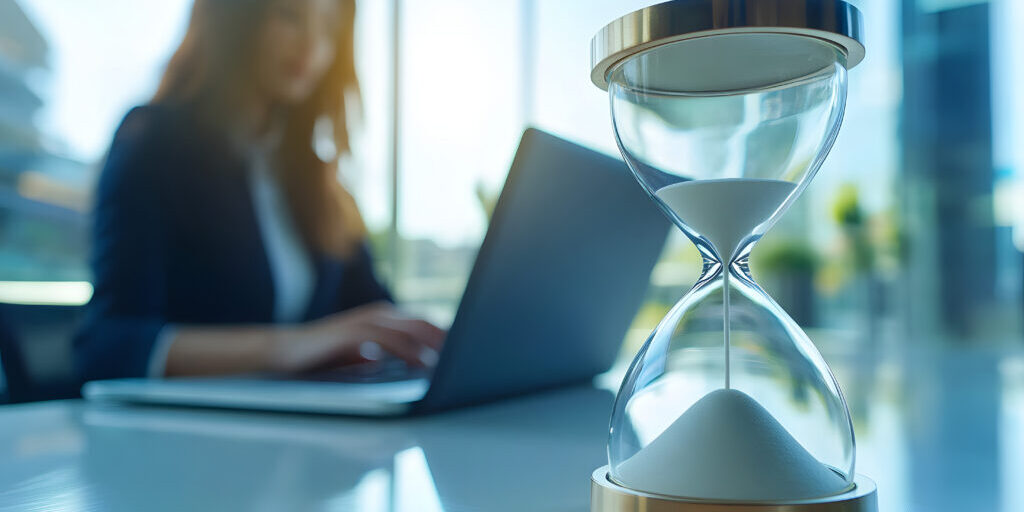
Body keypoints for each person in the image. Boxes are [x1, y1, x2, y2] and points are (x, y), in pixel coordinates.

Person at [73, 0, 444, 381]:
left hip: (307, 429)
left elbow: (378, 316)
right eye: (290, 15)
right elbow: (108, 347)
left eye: (329, 27)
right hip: (190, 430)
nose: (312, 46)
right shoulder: (153, 144)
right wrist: (290, 346)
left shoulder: (317, 181)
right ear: (236, 16)